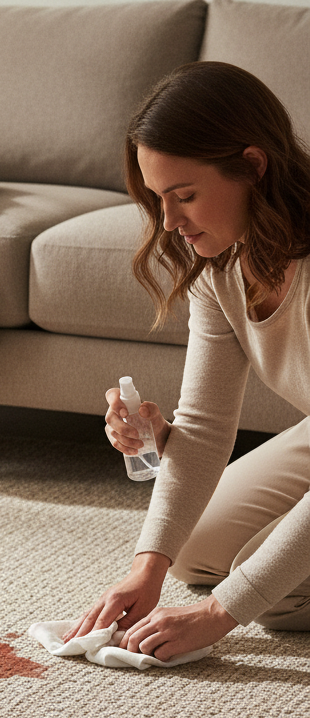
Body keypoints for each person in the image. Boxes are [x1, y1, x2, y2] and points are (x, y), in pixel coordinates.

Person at [65, 61, 310, 662]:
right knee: (196, 545)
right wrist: (146, 568)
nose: (170, 223)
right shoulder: (222, 267)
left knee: (269, 594)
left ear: (254, 166)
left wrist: (219, 612)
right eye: (158, 199)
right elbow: (202, 430)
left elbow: (234, 601)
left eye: (186, 196)